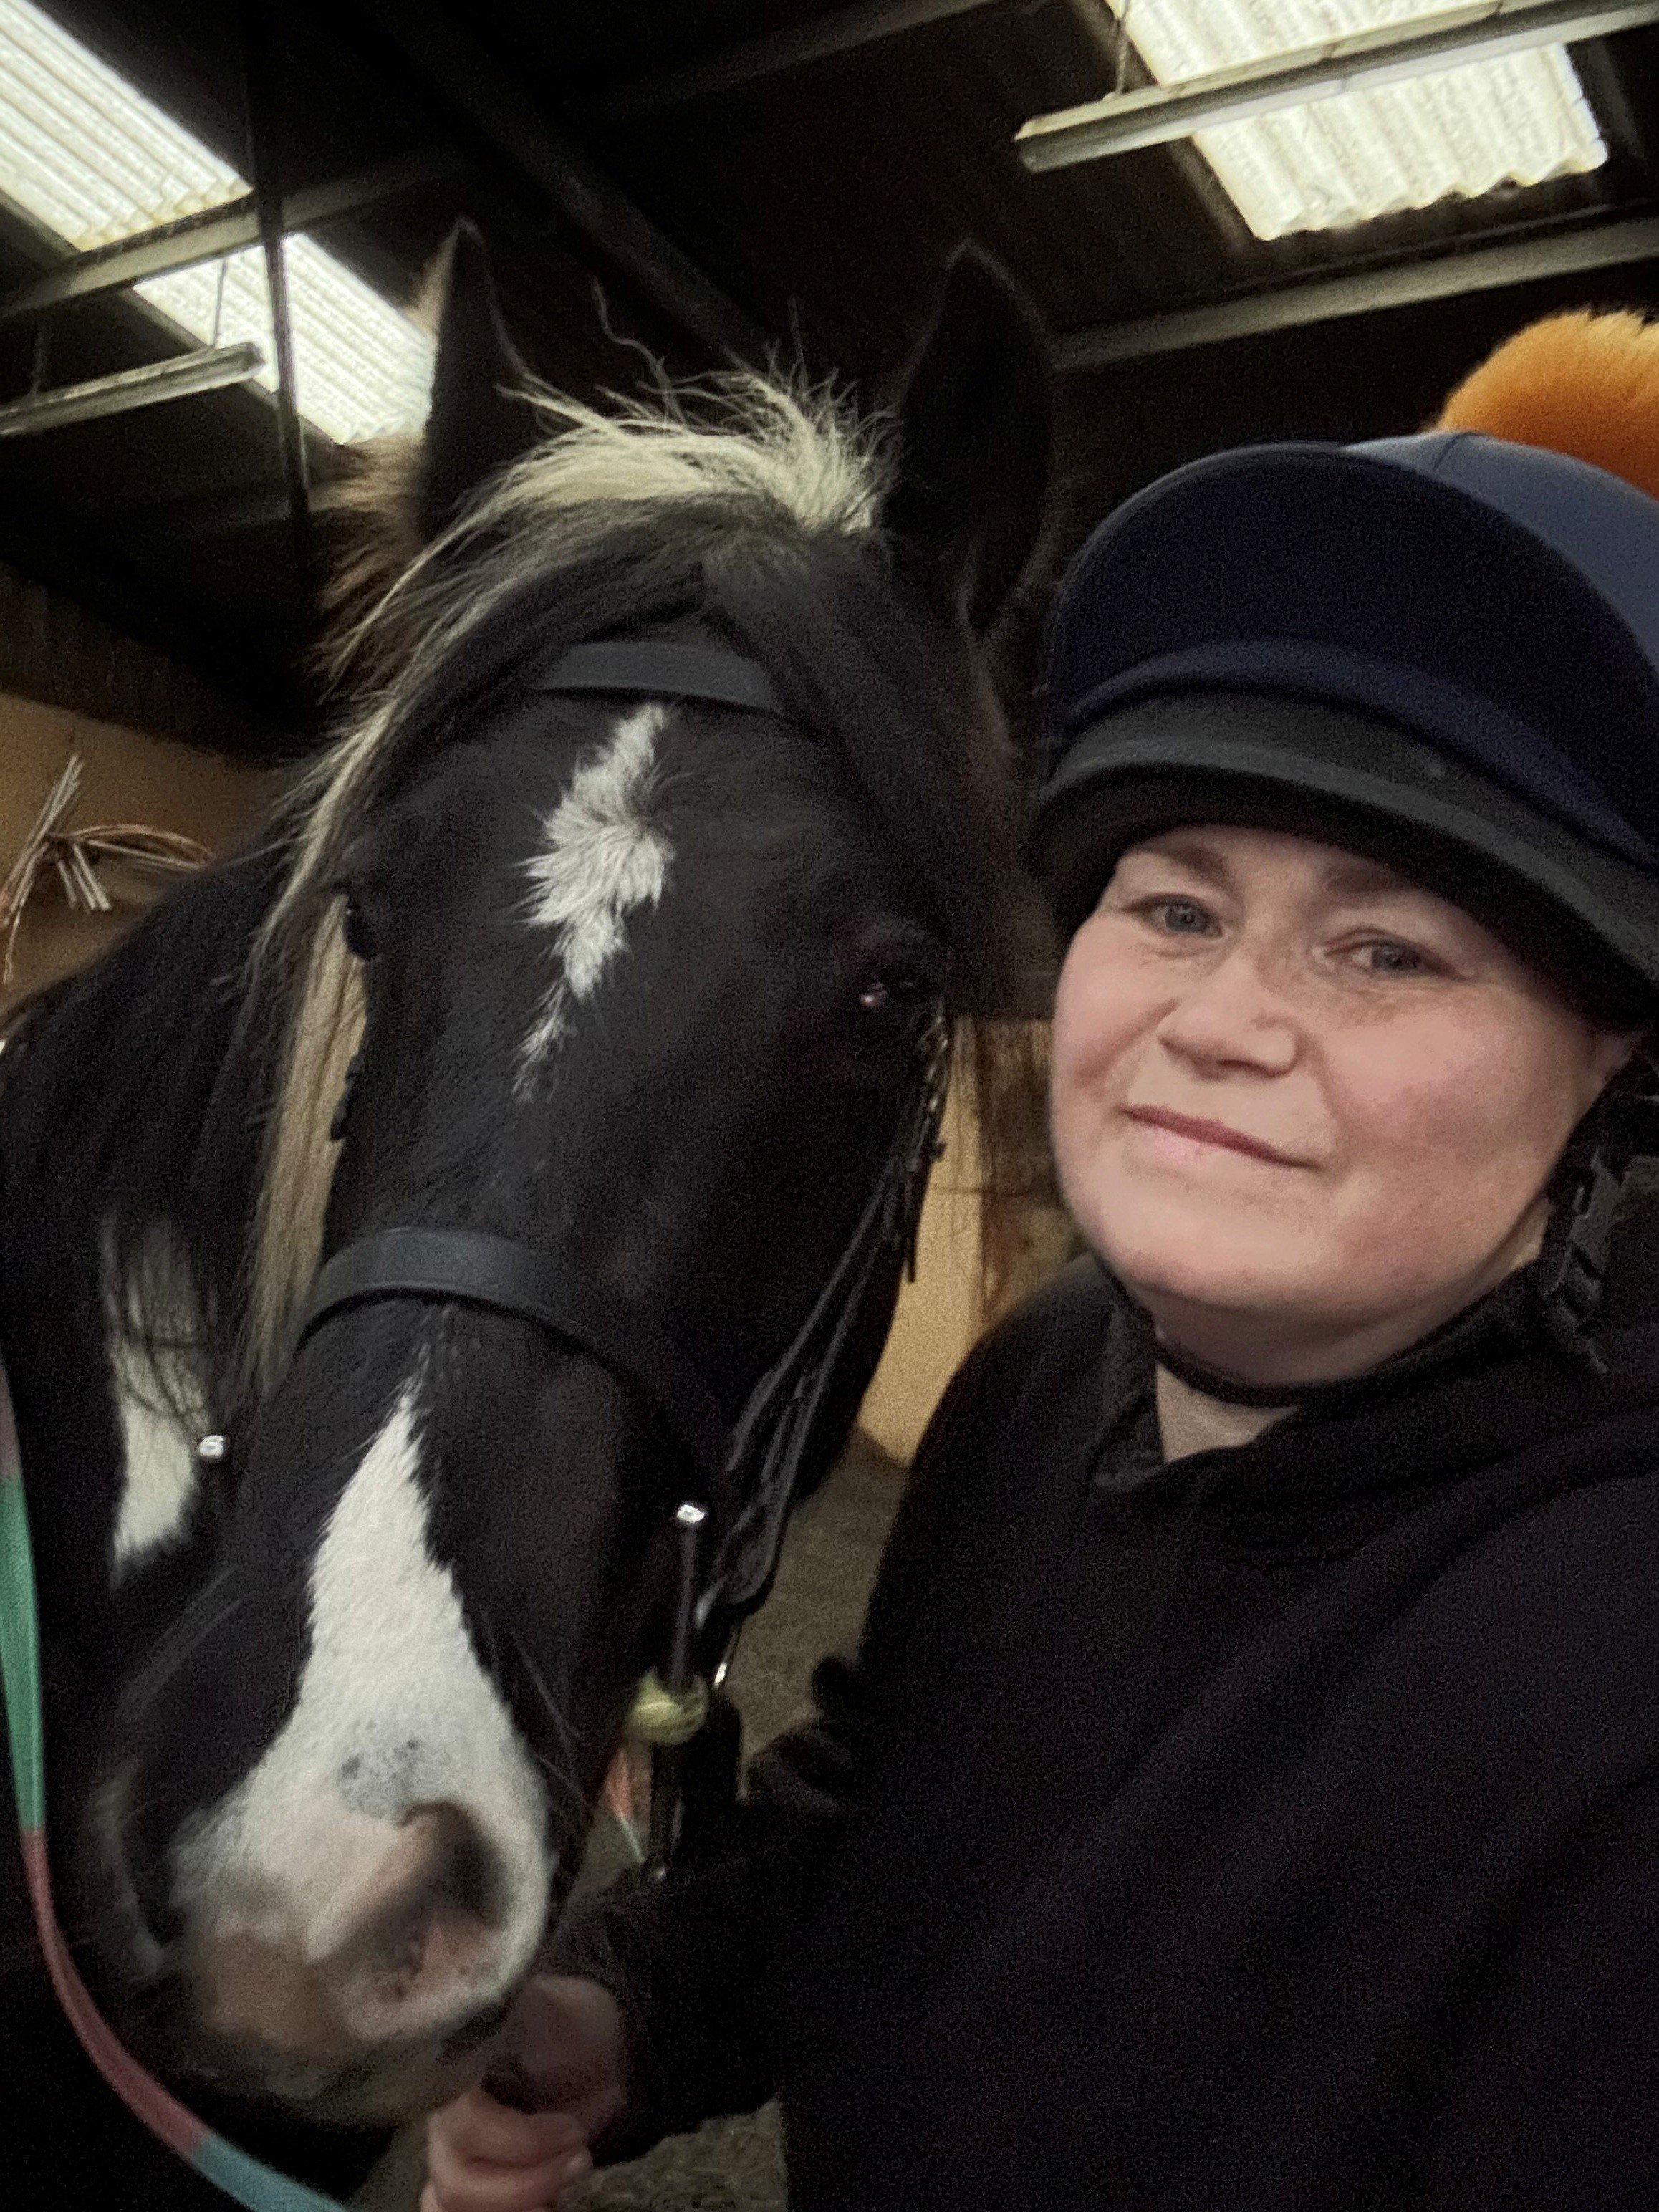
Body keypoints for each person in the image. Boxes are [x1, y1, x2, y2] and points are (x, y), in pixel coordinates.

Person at [423, 310, 1659, 2212]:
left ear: (1608, 1065)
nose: (1221, 1019)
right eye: (1171, 905)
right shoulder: (1042, 1377)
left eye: (1383, 948)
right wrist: (642, 2006)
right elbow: (884, 1835)